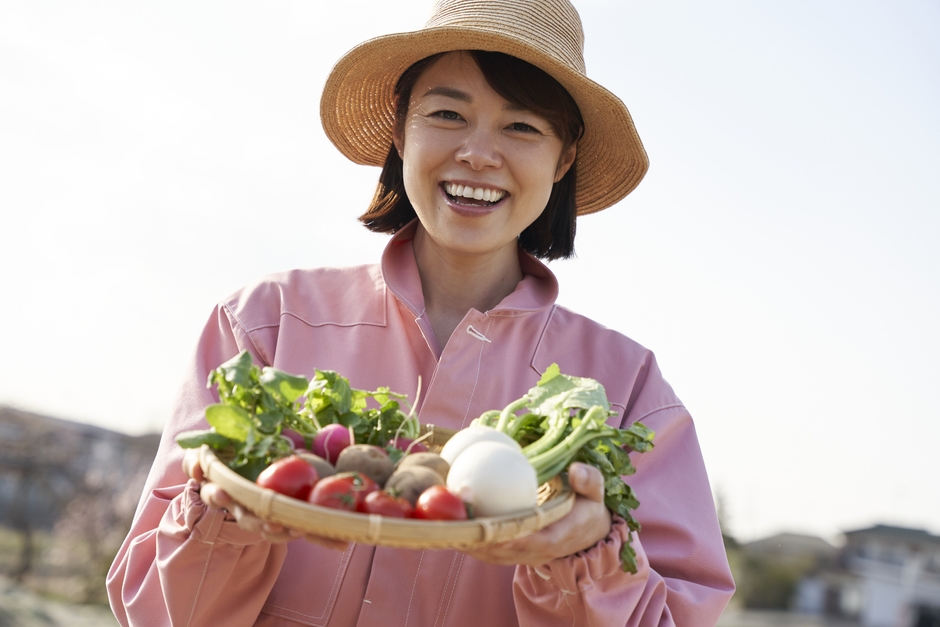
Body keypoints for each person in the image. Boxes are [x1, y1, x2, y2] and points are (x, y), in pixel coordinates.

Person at [107, 0, 735, 625]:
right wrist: (221, 517)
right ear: (400, 129)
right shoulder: (265, 325)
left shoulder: (629, 391)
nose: (478, 154)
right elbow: (157, 612)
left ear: (563, 158)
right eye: (447, 114)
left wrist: (589, 561)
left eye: (521, 126)